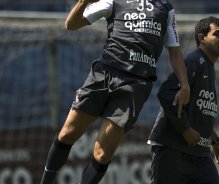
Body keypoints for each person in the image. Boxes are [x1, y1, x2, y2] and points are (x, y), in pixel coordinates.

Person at [40, 0, 190, 183]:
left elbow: (174, 51)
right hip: (104, 74)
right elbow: (71, 25)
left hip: (136, 84)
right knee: (67, 134)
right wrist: (83, 2)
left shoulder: (166, 8)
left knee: (102, 154)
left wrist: (185, 84)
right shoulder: (113, 0)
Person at [147, 16, 219, 184]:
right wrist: (185, 129)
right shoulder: (194, 62)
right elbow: (167, 93)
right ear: (202, 38)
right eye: (218, 34)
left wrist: (215, 141)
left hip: (200, 155)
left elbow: (197, 113)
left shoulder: (208, 67)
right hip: (172, 150)